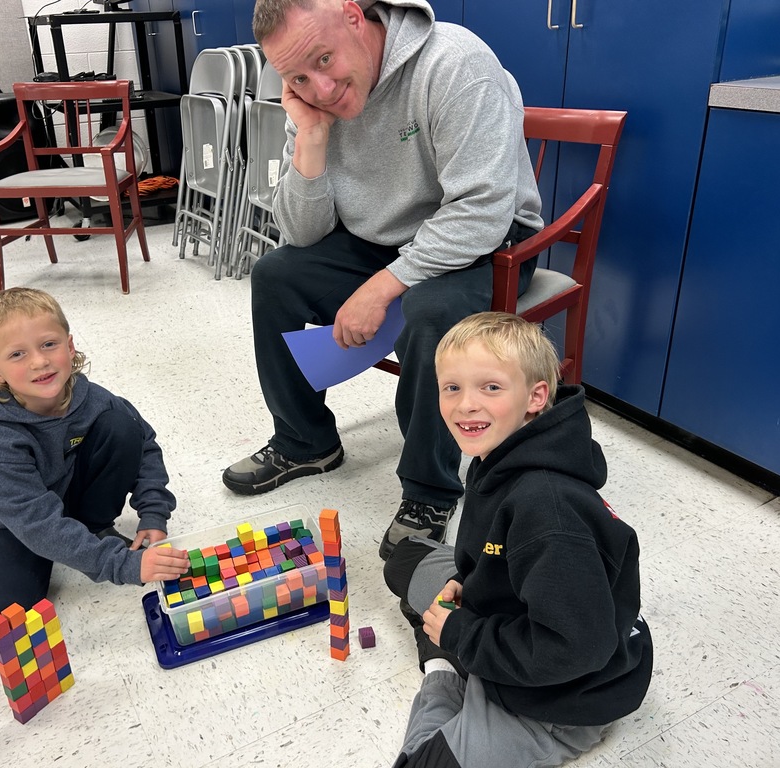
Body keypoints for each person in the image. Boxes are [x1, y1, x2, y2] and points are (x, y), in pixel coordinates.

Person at [221, 0, 544, 561]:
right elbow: (301, 233)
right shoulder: (311, 99)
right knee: (275, 274)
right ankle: (305, 441)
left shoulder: (454, 63)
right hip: (381, 237)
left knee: (431, 313)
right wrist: (311, 136)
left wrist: (383, 286)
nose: (320, 88)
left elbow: (482, 209)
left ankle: (429, 491)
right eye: (298, 77)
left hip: (484, 241)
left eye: (324, 60)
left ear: (353, 15)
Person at [381, 312, 653, 767]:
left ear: (536, 397)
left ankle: (445, 666)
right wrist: (465, 584)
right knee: (403, 561)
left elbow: (576, 649)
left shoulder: (547, 509)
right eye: (452, 387)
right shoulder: (501, 448)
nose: (466, 405)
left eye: (490, 387)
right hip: (517, 613)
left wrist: (459, 635)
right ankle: (458, 646)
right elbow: (499, 554)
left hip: (562, 696)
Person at [0, 287, 189, 628]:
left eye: (48, 344)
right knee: (3, 615)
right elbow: (38, 524)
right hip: (15, 519)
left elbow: (143, 445)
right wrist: (122, 565)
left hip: (64, 496)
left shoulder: (94, 399)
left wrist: (154, 513)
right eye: (18, 354)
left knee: (121, 425)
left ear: (69, 347)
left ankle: (91, 526)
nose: (39, 361)